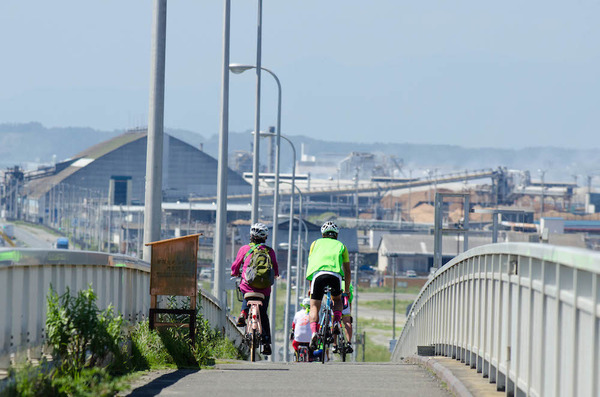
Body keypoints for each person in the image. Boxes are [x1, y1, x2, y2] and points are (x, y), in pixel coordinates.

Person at [231, 222, 279, 355]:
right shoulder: (269, 251)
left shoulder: (244, 249)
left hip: (247, 285)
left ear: (251, 236)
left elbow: (236, 265)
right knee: (263, 314)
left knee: (246, 291)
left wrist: (234, 272)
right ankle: (266, 343)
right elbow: (275, 267)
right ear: (265, 237)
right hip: (264, 289)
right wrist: (276, 275)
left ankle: (243, 313)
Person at [305, 221, 351, 351]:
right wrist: (346, 290)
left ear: (323, 234)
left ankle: (314, 332)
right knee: (337, 300)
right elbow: (347, 271)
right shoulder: (341, 246)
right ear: (336, 235)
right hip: (335, 276)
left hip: (318, 276)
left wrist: (310, 287)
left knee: (314, 306)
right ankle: (336, 321)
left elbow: (311, 266)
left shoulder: (315, 244)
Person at [333, 283, 354, 354]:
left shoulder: (334, 278)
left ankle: (334, 344)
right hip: (345, 300)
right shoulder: (348, 284)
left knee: (334, 321)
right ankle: (349, 343)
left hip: (335, 301)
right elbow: (350, 299)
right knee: (347, 322)